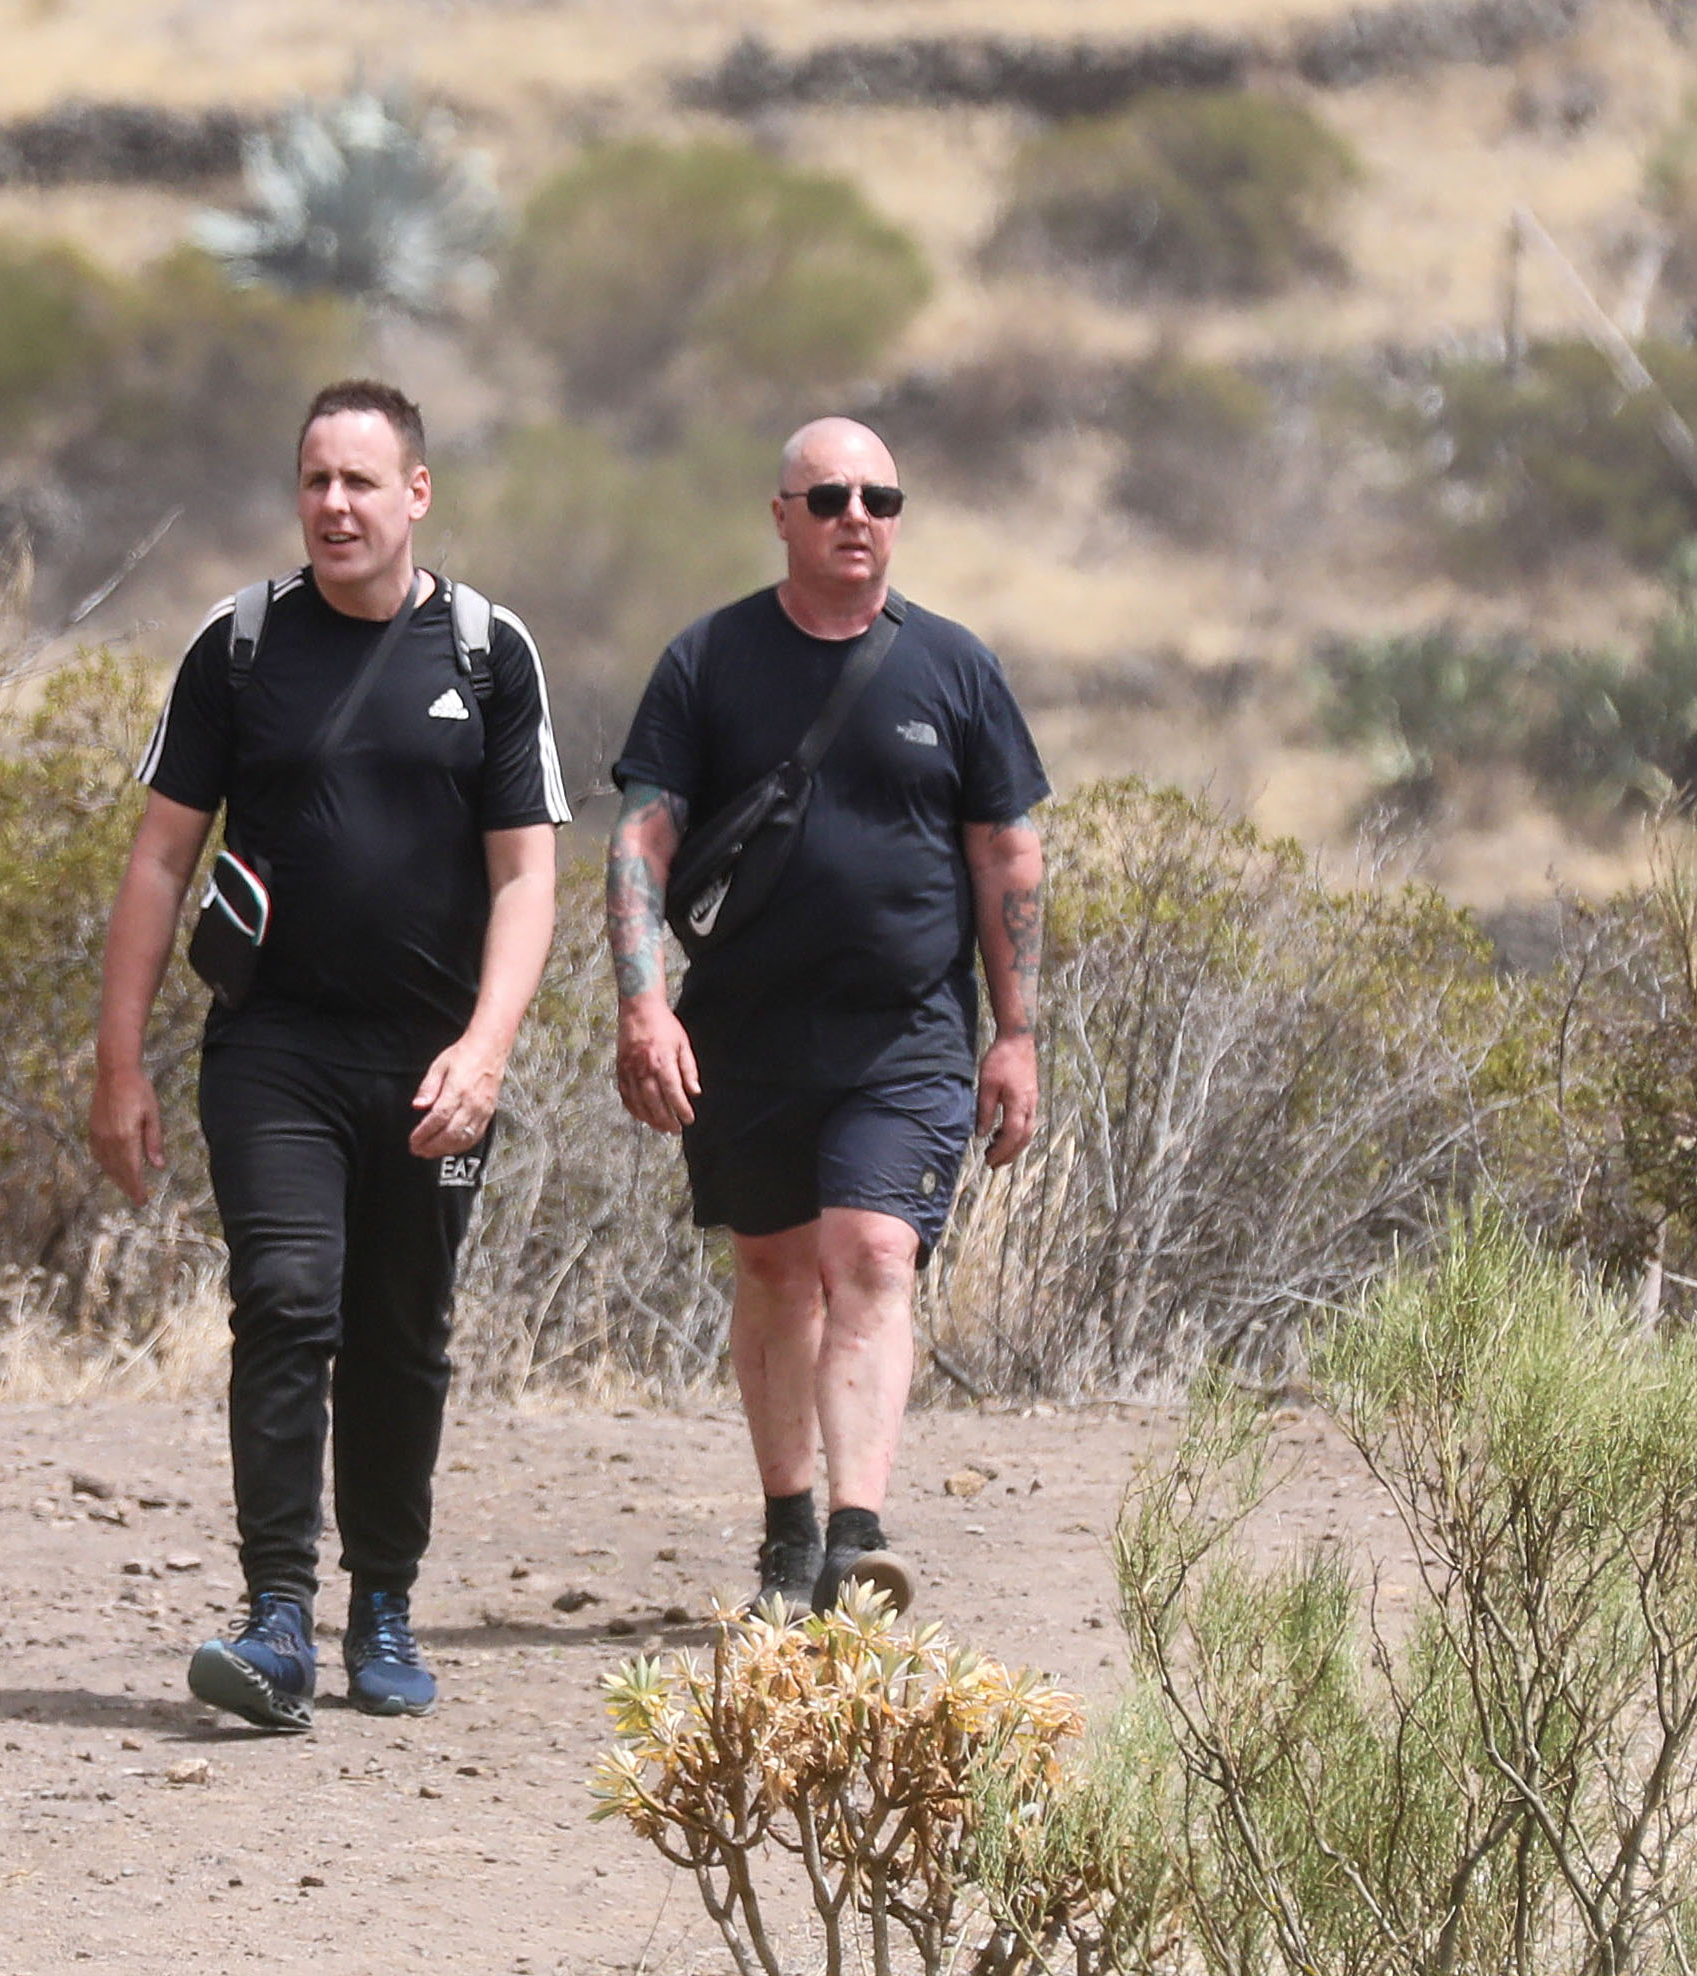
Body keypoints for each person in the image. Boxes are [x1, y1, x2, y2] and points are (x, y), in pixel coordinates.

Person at [91, 379, 568, 1730]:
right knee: (289, 1301)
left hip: (429, 1063)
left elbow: (526, 876)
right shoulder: (238, 647)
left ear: (415, 492)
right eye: (314, 481)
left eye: (361, 481)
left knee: (402, 1334)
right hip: (275, 1050)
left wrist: (483, 1050)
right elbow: (157, 858)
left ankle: (385, 1607)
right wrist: (115, 1062)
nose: (335, 505)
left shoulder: (487, 652)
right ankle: (278, 1617)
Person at [603, 416, 1046, 1620]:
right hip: (741, 1029)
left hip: (904, 1033)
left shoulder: (952, 667)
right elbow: (642, 837)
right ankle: (787, 1526)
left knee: (873, 1252)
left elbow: (1007, 851)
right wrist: (643, 1002)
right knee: (772, 1264)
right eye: (833, 495)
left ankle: (857, 1537)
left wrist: (1014, 1030)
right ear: (783, 514)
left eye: (883, 498)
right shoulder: (708, 660)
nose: (860, 515)